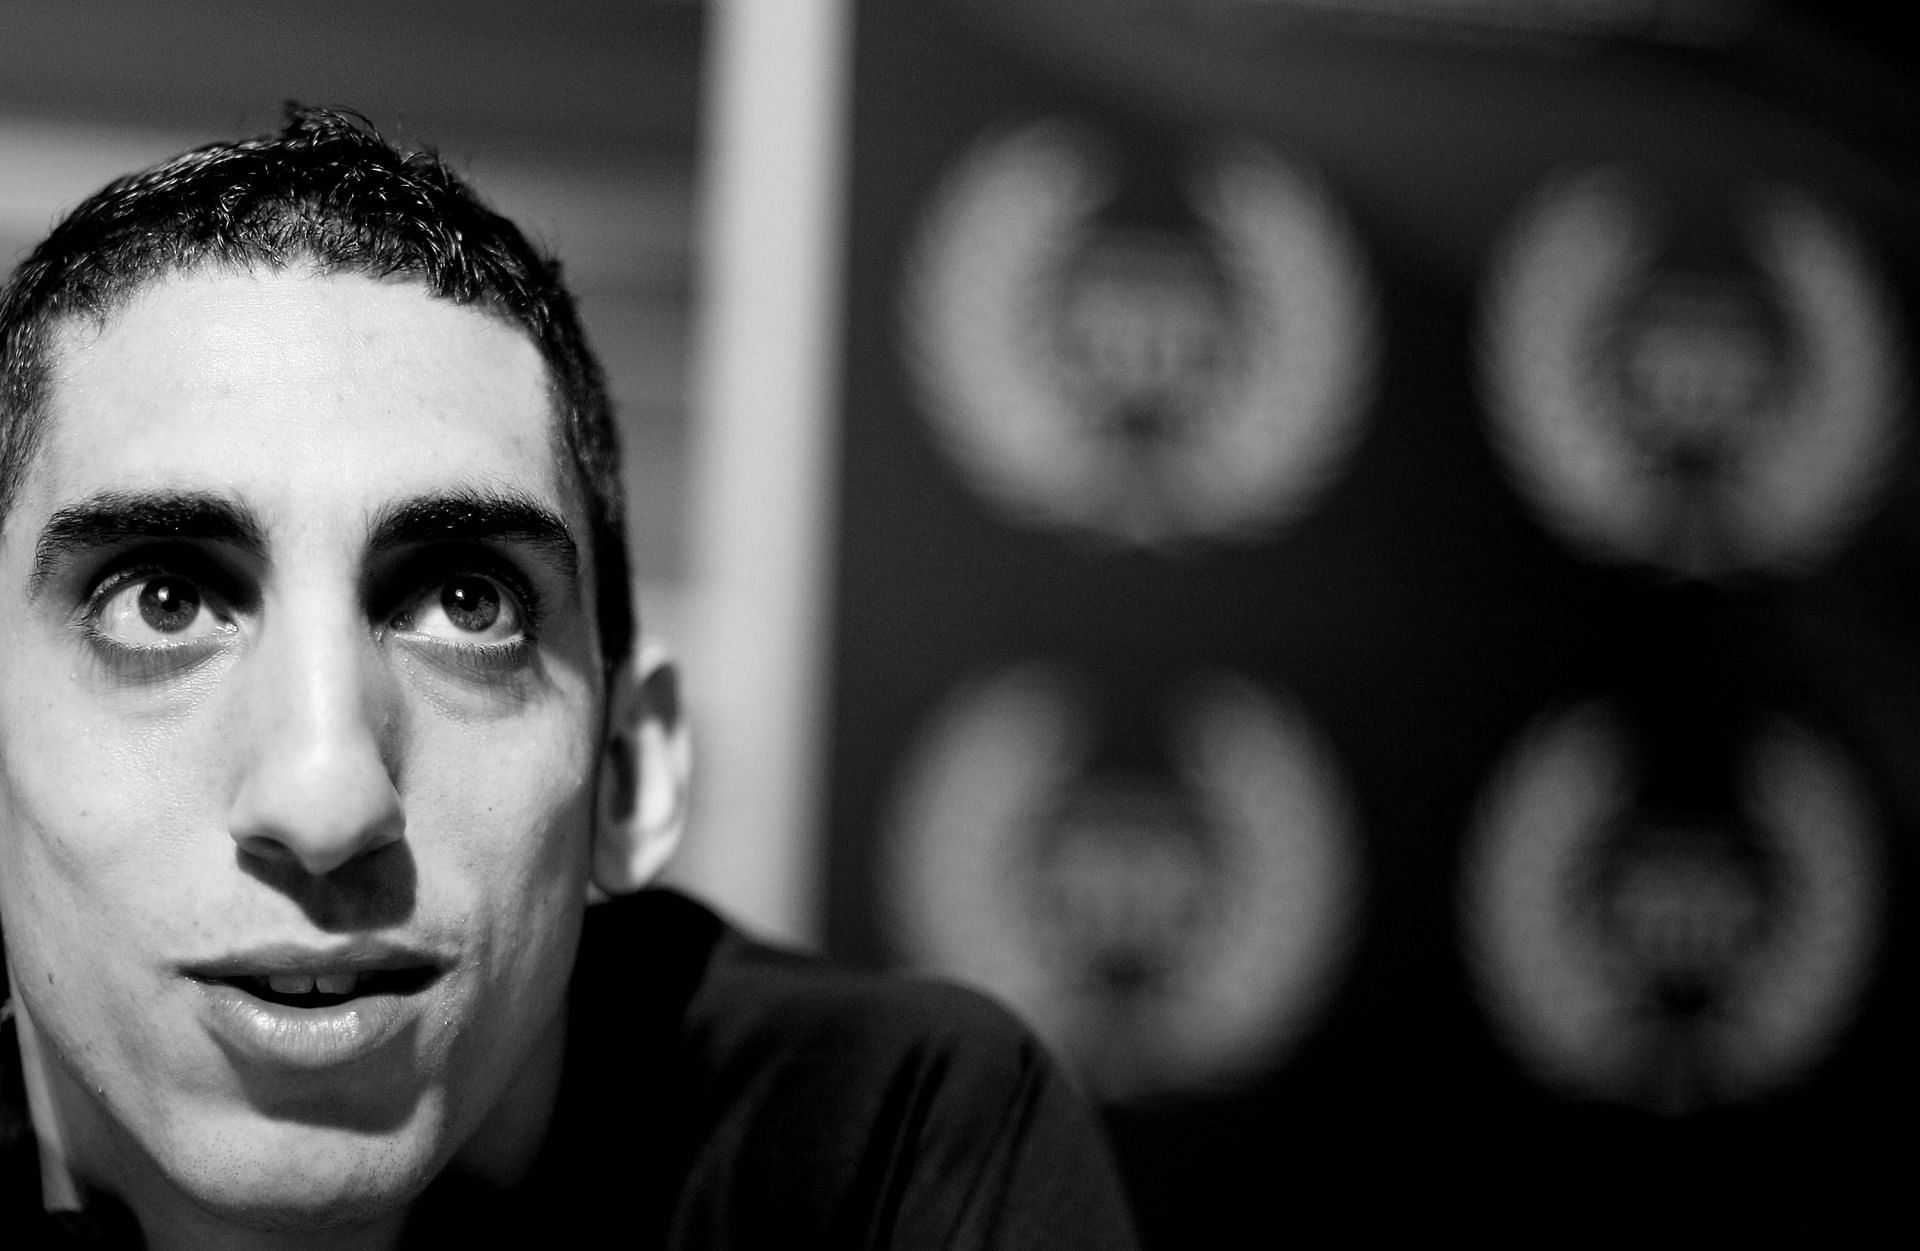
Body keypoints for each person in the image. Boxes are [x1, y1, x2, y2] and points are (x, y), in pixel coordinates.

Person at [0, 106, 1138, 1249]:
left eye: (465, 604)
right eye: (164, 603)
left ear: (628, 773)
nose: (325, 799)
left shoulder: (878, 1149)